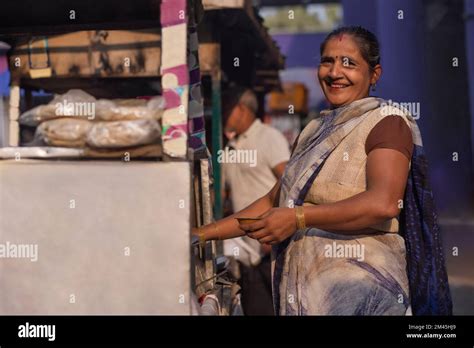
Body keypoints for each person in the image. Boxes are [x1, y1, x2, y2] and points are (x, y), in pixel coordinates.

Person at [194, 26, 452, 315]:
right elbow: (272, 201)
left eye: (349, 63)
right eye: (327, 61)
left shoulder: (386, 122)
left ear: (374, 74)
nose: (334, 72)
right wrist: (202, 234)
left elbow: (383, 202)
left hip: (365, 295)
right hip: (310, 296)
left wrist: (298, 218)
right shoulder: (314, 130)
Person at [220, 86, 290, 315]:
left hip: (273, 246)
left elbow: (291, 185)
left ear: (241, 109)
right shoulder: (230, 147)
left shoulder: (269, 137)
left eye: (227, 109)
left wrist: (275, 227)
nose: (222, 115)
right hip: (248, 252)